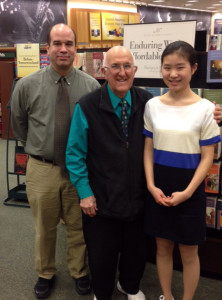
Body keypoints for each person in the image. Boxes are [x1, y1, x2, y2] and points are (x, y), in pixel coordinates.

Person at [11, 23, 100, 299]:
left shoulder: (92, 86)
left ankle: (79, 271)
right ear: (47, 48)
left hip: (79, 169)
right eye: (57, 44)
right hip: (42, 168)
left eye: (69, 44)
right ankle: (45, 273)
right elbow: (19, 124)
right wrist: (40, 149)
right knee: (45, 226)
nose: (63, 49)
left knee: (77, 225)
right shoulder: (26, 85)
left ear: (76, 48)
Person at [66, 46, 153, 300]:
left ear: (135, 70)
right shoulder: (88, 106)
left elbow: (178, 115)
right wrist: (85, 193)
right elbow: (74, 154)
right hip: (100, 199)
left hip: (137, 196)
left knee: (136, 252)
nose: (122, 72)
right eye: (115, 66)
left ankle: (129, 286)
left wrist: (209, 112)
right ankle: (102, 293)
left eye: (127, 66)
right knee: (101, 255)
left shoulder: (148, 102)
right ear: (104, 71)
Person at [143, 41, 222, 300]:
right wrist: (151, 186)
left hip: (190, 190)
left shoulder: (207, 109)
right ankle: (166, 295)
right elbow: (148, 149)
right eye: (167, 68)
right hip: (159, 188)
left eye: (180, 67)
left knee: (189, 252)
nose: (173, 74)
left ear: (194, 68)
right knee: (162, 247)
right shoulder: (152, 105)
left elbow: (207, 157)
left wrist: (188, 193)